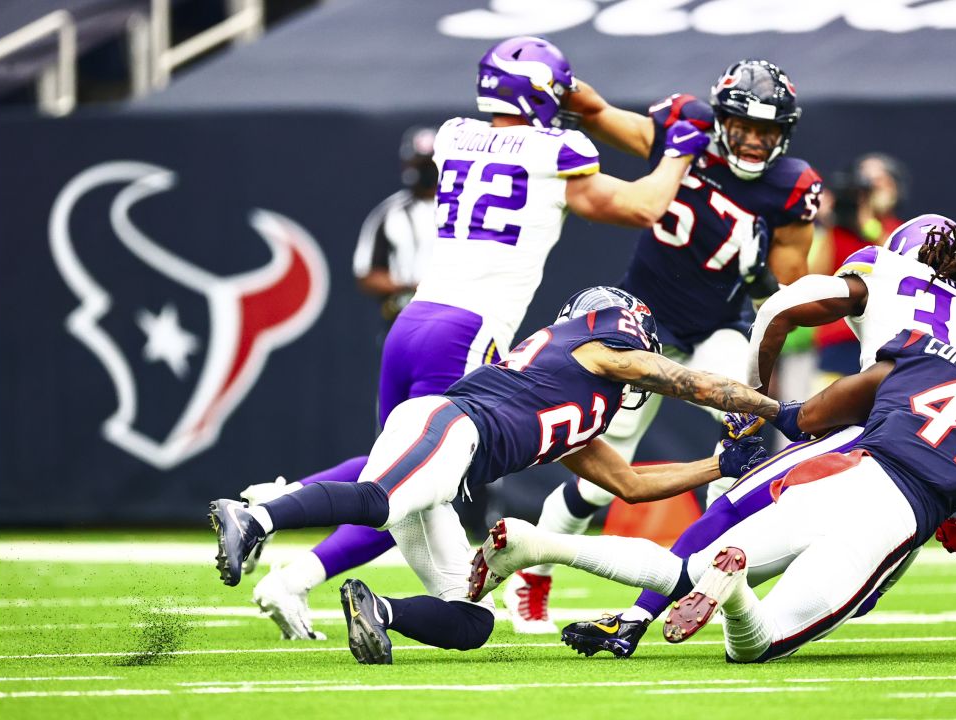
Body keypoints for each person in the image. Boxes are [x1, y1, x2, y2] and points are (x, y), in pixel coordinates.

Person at [234, 35, 713, 641]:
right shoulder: (555, 148)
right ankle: (274, 518)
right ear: (542, 94)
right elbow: (644, 206)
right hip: (467, 329)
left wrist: (578, 100)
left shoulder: (456, 134)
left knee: (402, 470)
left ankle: (294, 548)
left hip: (414, 320)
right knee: (406, 483)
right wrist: (680, 151)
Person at [208, 287, 778, 664]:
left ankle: (379, 612)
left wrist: (718, 465)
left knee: (471, 617)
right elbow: (693, 384)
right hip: (451, 426)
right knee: (380, 503)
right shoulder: (594, 351)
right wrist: (777, 411)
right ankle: (257, 516)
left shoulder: (581, 405)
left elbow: (629, 484)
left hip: (452, 460)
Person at [470, 314, 956, 664]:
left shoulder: (923, 357)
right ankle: (733, 594)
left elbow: (811, 418)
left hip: (830, 474)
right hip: (892, 518)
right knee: (753, 648)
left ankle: (540, 545)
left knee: (683, 571)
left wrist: (782, 413)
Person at [557, 214, 956, 657]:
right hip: (934, 466)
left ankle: (640, 616)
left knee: (732, 510)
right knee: (861, 592)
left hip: (871, 433)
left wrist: (752, 397)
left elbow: (779, 308)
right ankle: (738, 595)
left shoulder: (884, 268)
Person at [513, 59, 823, 632]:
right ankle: (535, 570)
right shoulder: (690, 130)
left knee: (743, 429)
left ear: (786, 133)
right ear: (721, 119)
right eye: (743, 128)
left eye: (768, 132)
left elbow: (789, 282)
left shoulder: (793, 186)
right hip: (638, 331)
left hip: (715, 330)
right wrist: (553, 80)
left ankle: (715, 577)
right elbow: (600, 113)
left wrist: (760, 273)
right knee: (599, 484)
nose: (754, 141)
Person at [810, 153, 907, 390]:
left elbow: (901, 267)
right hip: (837, 340)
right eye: (864, 182)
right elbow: (814, 276)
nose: (871, 189)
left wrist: (868, 226)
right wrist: (826, 222)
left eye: (879, 181)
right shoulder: (837, 230)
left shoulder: (899, 230)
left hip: (882, 340)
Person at [352, 126, 439, 324]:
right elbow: (367, 274)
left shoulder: (463, 209)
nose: (429, 172)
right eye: (422, 166)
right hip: (404, 315)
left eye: (433, 165)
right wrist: (411, 288)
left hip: (456, 312)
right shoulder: (389, 213)